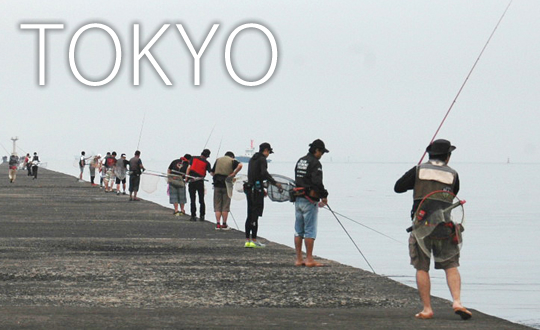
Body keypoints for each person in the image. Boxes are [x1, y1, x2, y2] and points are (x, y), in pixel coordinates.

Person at [394, 139, 471, 320]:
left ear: (429, 154)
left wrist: (415, 174)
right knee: (451, 265)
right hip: (445, 226)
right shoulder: (453, 174)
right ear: (448, 156)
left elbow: (398, 187)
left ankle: (427, 309)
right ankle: (457, 302)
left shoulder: (418, 170)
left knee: (422, 267)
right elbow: (452, 194)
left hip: (421, 227)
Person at [294, 139, 329, 267]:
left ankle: (298, 259)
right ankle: (309, 259)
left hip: (298, 198)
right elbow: (317, 182)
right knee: (310, 230)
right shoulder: (315, 163)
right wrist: (324, 195)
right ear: (317, 150)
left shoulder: (300, 161)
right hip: (309, 200)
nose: (322, 155)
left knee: (298, 230)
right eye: (322, 152)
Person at [243, 142, 279, 248]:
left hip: (249, 188)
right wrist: (274, 182)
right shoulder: (262, 159)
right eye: (269, 152)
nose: (268, 154)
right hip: (256, 190)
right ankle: (254, 240)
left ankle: (247, 241)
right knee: (255, 215)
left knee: (249, 214)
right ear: (266, 150)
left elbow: (253, 175)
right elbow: (263, 173)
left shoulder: (252, 159)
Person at [211, 151, 243, 230]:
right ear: (232, 156)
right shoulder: (232, 160)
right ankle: (224, 224)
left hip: (217, 185)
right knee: (225, 205)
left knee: (217, 205)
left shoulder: (218, 160)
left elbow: (212, 172)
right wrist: (234, 173)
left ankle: (218, 224)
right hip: (227, 185)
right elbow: (240, 165)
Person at [186, 149, 212, 222]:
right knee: (201, 199)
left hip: (191, 181)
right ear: (207, 156)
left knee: (192, 199)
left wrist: (186, 178)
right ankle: (202, 216)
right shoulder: (207, 163)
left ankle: (193, 216)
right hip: (200, 182)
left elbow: (189, 168)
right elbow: (211, 172)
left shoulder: (193, 158)